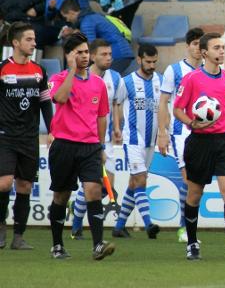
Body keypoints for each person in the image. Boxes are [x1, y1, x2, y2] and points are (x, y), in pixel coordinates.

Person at [173, 33, 225, 261]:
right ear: (205, 52)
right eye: (217, 47)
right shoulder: (192, 79)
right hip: (199, 142)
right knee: (195, 194)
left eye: (223, 47)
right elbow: (177, 109)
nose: (222, 51)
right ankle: (191, 243)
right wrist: (191, 123)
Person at [47, 32, 115, 260]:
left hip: (90, 146)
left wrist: (101, 145)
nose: (85, 56)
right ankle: (57, 245)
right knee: (61, 196)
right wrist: (71, 71)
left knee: (94, 190)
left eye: (86, 52)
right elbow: (61, 98)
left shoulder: (99, 84)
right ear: (69, 56)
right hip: (64, 145)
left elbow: (102, 117)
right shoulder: (58, 78)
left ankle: (98, 245)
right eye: (80, 53)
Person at [0, 22, 53, 250]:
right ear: (16, 43)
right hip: (5, 136)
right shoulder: (2, 69)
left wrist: (52, 130)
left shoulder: (39, 71)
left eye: (34, 39)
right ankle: (1, 226)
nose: (34, 43)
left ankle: (18, 236)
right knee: (4, 184)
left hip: (29, 137)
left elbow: (45, 103)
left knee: (25, 187)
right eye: (29, 39)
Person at [71, 39, 122, 240]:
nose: (108, 58)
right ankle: (77, 226)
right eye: (103, 54)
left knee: (105, 185)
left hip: (106, 139)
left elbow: (115, 105)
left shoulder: (115, 78)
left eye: (110, 54)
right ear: (92, 56)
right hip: (85, 139)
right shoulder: (84, 77)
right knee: (94, 182)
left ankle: (77, 211)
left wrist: (117, 127)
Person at [156, 27, 204, 243]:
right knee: (189, 179)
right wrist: (162, 133)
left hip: (205, 133)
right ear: (188, 46)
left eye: (201, 44)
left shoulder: (209, 71)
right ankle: (184, 228)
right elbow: (164, 103)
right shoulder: (174, 71)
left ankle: (188, 226)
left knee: (197, 182)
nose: (198, 48)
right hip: (181, 132)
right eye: (195, 44)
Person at [112, 44, 162, 239]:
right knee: (141, 179)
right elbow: (116, 103)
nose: (151, 65)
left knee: (135, 182)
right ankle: (149, 224)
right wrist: (117, 127)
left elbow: (164, 107)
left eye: (154, 62)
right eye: (148, 62)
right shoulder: (128, 81)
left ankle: (119, 226)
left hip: (152, 140)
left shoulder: (160, 80)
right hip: (133, 139)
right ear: (139, 60)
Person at [59, 0, 135, 76]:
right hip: (121, 51)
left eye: (66, 17)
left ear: (71, 12)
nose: (67, 20)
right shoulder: (92, 16)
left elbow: (91, 47)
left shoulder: (86, 22)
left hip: (118, 54)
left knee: (103, 81)